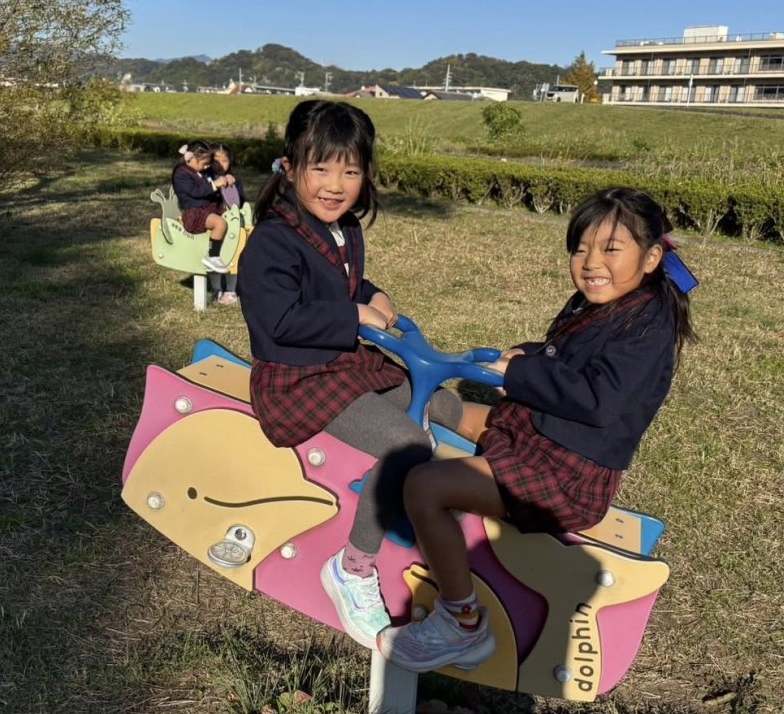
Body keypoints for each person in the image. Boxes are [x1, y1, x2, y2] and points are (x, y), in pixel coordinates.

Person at [378, 186, 698, 672]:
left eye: (611, 249)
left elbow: (597, 399)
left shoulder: (647, 326)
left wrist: (522, 374)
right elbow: (567, 359)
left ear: (652, 257)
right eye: (580, 249)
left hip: (565, 473)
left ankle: (461, 623)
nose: (591, 263)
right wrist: (528, 354)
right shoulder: (605, 302)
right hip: (539, 437)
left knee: (425, 486)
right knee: (447, 408)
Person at [237, 99, 474, 650]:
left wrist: (373, 294)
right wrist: (353, 316)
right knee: (406, 442)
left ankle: (445, 494)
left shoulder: (342, 229)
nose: (335, 185)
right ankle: (354, 567)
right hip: (298, 379)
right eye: (320, 168)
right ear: (290, 167)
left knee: (438, 403)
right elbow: (279, 320)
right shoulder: (272, 241)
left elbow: (339, 285)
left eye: (350, 171)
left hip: (343, 364)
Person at [171, 139, 230, 274]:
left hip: (206, 209)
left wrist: (225, 180)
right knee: (220, 223)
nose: (207, 167)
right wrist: (214, 184)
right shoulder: (181, 174)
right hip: (194, 213)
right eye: (204, 164)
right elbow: (196, 191)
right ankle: (212, 256)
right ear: (191, 159)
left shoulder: (201, 172)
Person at [208, 142, 245, 304]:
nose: (220, 164)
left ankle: (231, 290)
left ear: (230, 162)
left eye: (224, 160)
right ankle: (216, 288)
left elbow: (240, 202)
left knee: (232, 255)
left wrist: (232, 188)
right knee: (214, 256)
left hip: (232, 225)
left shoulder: (235, 181)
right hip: (214, 225)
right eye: (216, 160)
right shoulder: (206, 180)